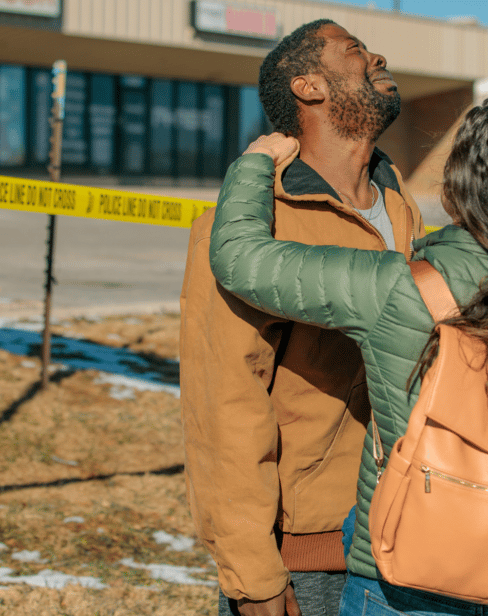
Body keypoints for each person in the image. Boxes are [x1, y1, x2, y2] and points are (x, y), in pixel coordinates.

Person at [208, 96, 488, 616]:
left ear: (459, 190)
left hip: (398, 580)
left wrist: (255, 162)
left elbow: (241, 261)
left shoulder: (402, 289)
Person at [180, 19, 424, 616]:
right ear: (308, 87)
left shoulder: (402, 207)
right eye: (355, 51)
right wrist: (253, 575)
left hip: (412, 540)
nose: (377, 57)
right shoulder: (256, 224)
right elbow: (224, 408)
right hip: (312, 563)